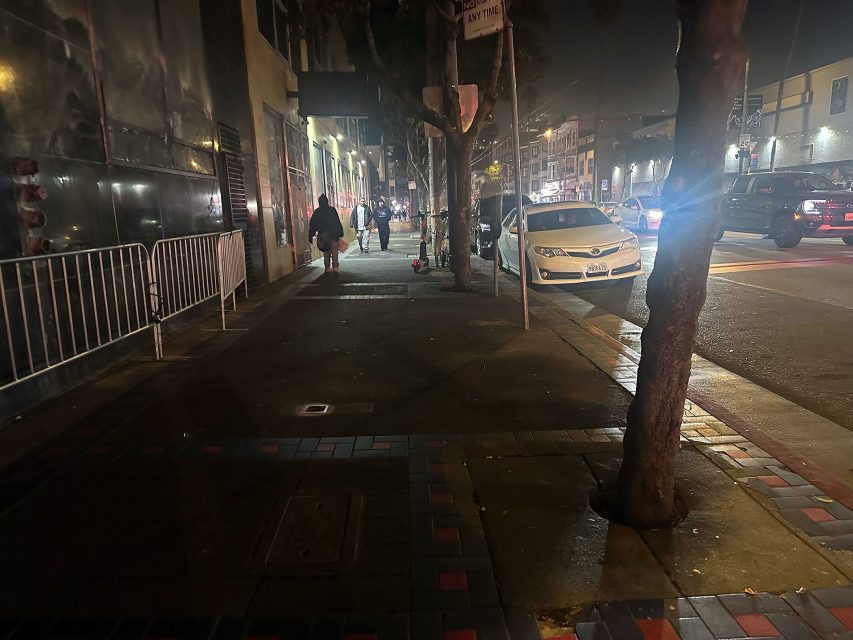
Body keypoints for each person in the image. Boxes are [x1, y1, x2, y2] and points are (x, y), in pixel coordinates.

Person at [309, 194, 345, 275]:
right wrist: (340, 233)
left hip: (323, 235)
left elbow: (313, 224)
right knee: (335, 251)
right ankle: (335, 267)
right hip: (333, 235)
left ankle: (327, 267)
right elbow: (337, 222)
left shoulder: (317, 212)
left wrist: (311, 235)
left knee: (326, 251)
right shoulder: (332, 210)